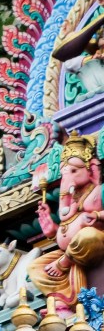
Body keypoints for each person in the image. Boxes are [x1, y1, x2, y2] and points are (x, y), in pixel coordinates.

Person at [30, 132, 104, 314]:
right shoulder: (74, 197)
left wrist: (98, 215)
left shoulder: (99, 191)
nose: (67, 179)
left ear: (91, 168)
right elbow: (68, 223)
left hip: (93, 244)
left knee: (88, 236)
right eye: (65, 173)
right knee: (35, 267)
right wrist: (52, 230)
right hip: (74, 251)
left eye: (73, 171)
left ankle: (64, 262)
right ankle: (62, 303)